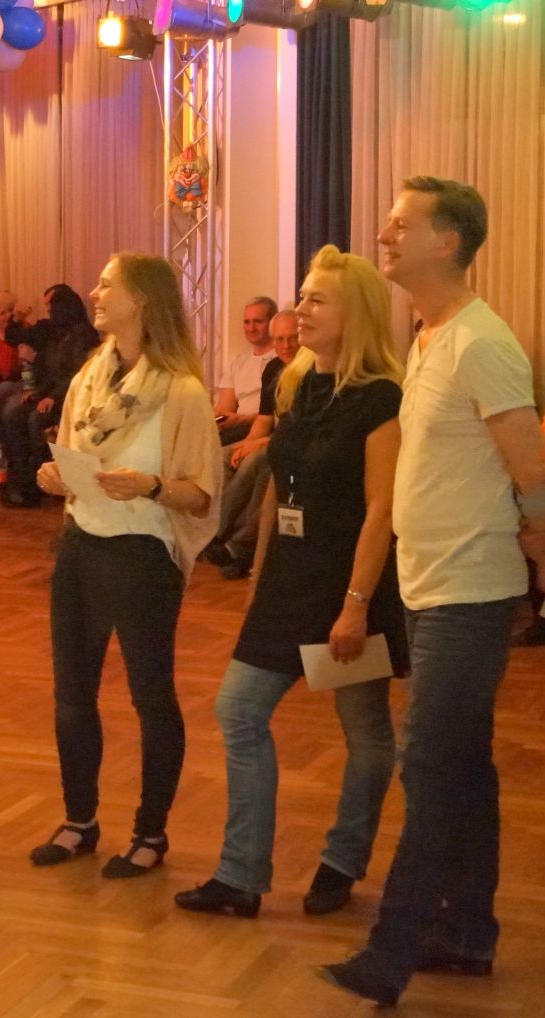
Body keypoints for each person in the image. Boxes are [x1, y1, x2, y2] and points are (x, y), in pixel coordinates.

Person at [322, 178, 545, 1007]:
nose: (384, 234)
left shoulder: (481, 341)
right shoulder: (429, 337)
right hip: (429, 583)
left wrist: (537, 547)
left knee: (427, 761)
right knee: (465, 767)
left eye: (400, 224)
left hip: (469, 589)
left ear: (446, 242)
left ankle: (393, 950)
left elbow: (531, 468)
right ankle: (467, 932)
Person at [175, 244, 404, 922]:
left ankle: (343, 859)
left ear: (355, 313)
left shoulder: (381, 398)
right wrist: (257, 576)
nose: (300, 309)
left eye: (316, 300)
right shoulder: (298, 383)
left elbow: (382, 510)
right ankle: (241, 875)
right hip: (288, 583)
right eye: (302, 296)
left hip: (347, 587)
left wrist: (355, 607)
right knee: (238, 711)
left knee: (365, 734)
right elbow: (280, 486)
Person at [30, 252, 222, 878]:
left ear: (141, 301)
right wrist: (55, 476)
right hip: (81, 546)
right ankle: (79, 820)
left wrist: (151, 486)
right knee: (71, 694)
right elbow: (70, 454)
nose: (95, 291)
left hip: (142, 556)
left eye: (107, 284)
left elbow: (202, 495)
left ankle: (150, 832)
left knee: (150, 696)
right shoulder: (89, 377)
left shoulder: (182, 391)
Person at [0, 283, 100, 508]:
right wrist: (39, 392)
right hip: (49, 391)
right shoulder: (50, 328)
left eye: (50, 306)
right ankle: (20, 481)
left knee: (35, 419)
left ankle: (38, 484)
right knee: (13, 414)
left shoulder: (83, 334)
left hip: (69, 395)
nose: (48, 311)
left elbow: (77, 374)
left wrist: (52, 396)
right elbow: (18, 341)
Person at [203, 310, 300, 578]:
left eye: (292, 338)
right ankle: (229, 541)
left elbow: (300, 430)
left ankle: (217, 534)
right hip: (268, 436)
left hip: (286, 442)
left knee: (256, 463)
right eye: (279, 339)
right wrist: (245, 442)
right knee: (223, 457)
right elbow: (263, 417)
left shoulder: (310, 369)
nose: (286, 345)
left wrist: (257, 442)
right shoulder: (269, 367)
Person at [212, 297, 278, 445]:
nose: (251, 328)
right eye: (247, 322)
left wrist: (242, 419)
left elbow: (275, 415)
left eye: (258, 322)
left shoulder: (281, 360)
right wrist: (219, 418)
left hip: (265, 430)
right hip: (236, 429)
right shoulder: (237, 362)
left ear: (272, 322)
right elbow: (224, 408)